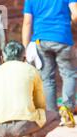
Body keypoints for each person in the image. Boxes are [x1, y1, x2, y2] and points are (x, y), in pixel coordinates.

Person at [0, 41, 60, 137]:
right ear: (24, 58)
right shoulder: (31, 71)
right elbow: (40, 103)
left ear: (2, 58)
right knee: (55, 117)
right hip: (25, 125)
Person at [22, 0, 77, 128]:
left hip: (41, 40)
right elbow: (75, 14)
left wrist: (25, 48)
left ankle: (52, 117)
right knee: (69, 74)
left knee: (47, 80)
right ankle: (67, 109)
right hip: (62, 38)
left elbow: (27, 22)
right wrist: (71, 26)